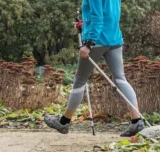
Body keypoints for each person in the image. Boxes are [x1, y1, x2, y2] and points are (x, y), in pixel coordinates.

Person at [44, 0, 144, 137]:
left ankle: (64, 122)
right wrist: (84, 26)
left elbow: (98, 18)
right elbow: (108, 15)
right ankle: (136, 121)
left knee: (80, 80)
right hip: (114, 39)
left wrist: (89, 43)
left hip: (97, 41)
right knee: (120, 79)